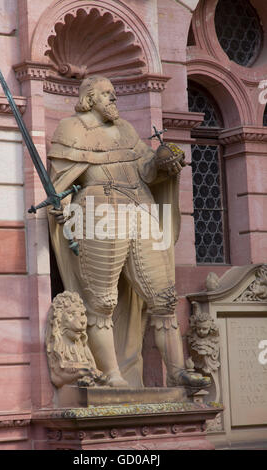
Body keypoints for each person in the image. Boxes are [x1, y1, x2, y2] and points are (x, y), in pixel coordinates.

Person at [47, 75, 210, 389]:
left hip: (142, 208)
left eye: (114, 94)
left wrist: (164, 161)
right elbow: (61, 182)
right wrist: (63, 207)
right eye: (106, 94)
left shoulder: (126, 129)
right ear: (89, 98)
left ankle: (178, 372)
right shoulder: (71, 129)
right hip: (98, 211)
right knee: (102, 301)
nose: (113, 99)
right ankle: (112, 376)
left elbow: (146, 169)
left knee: (164, 298)